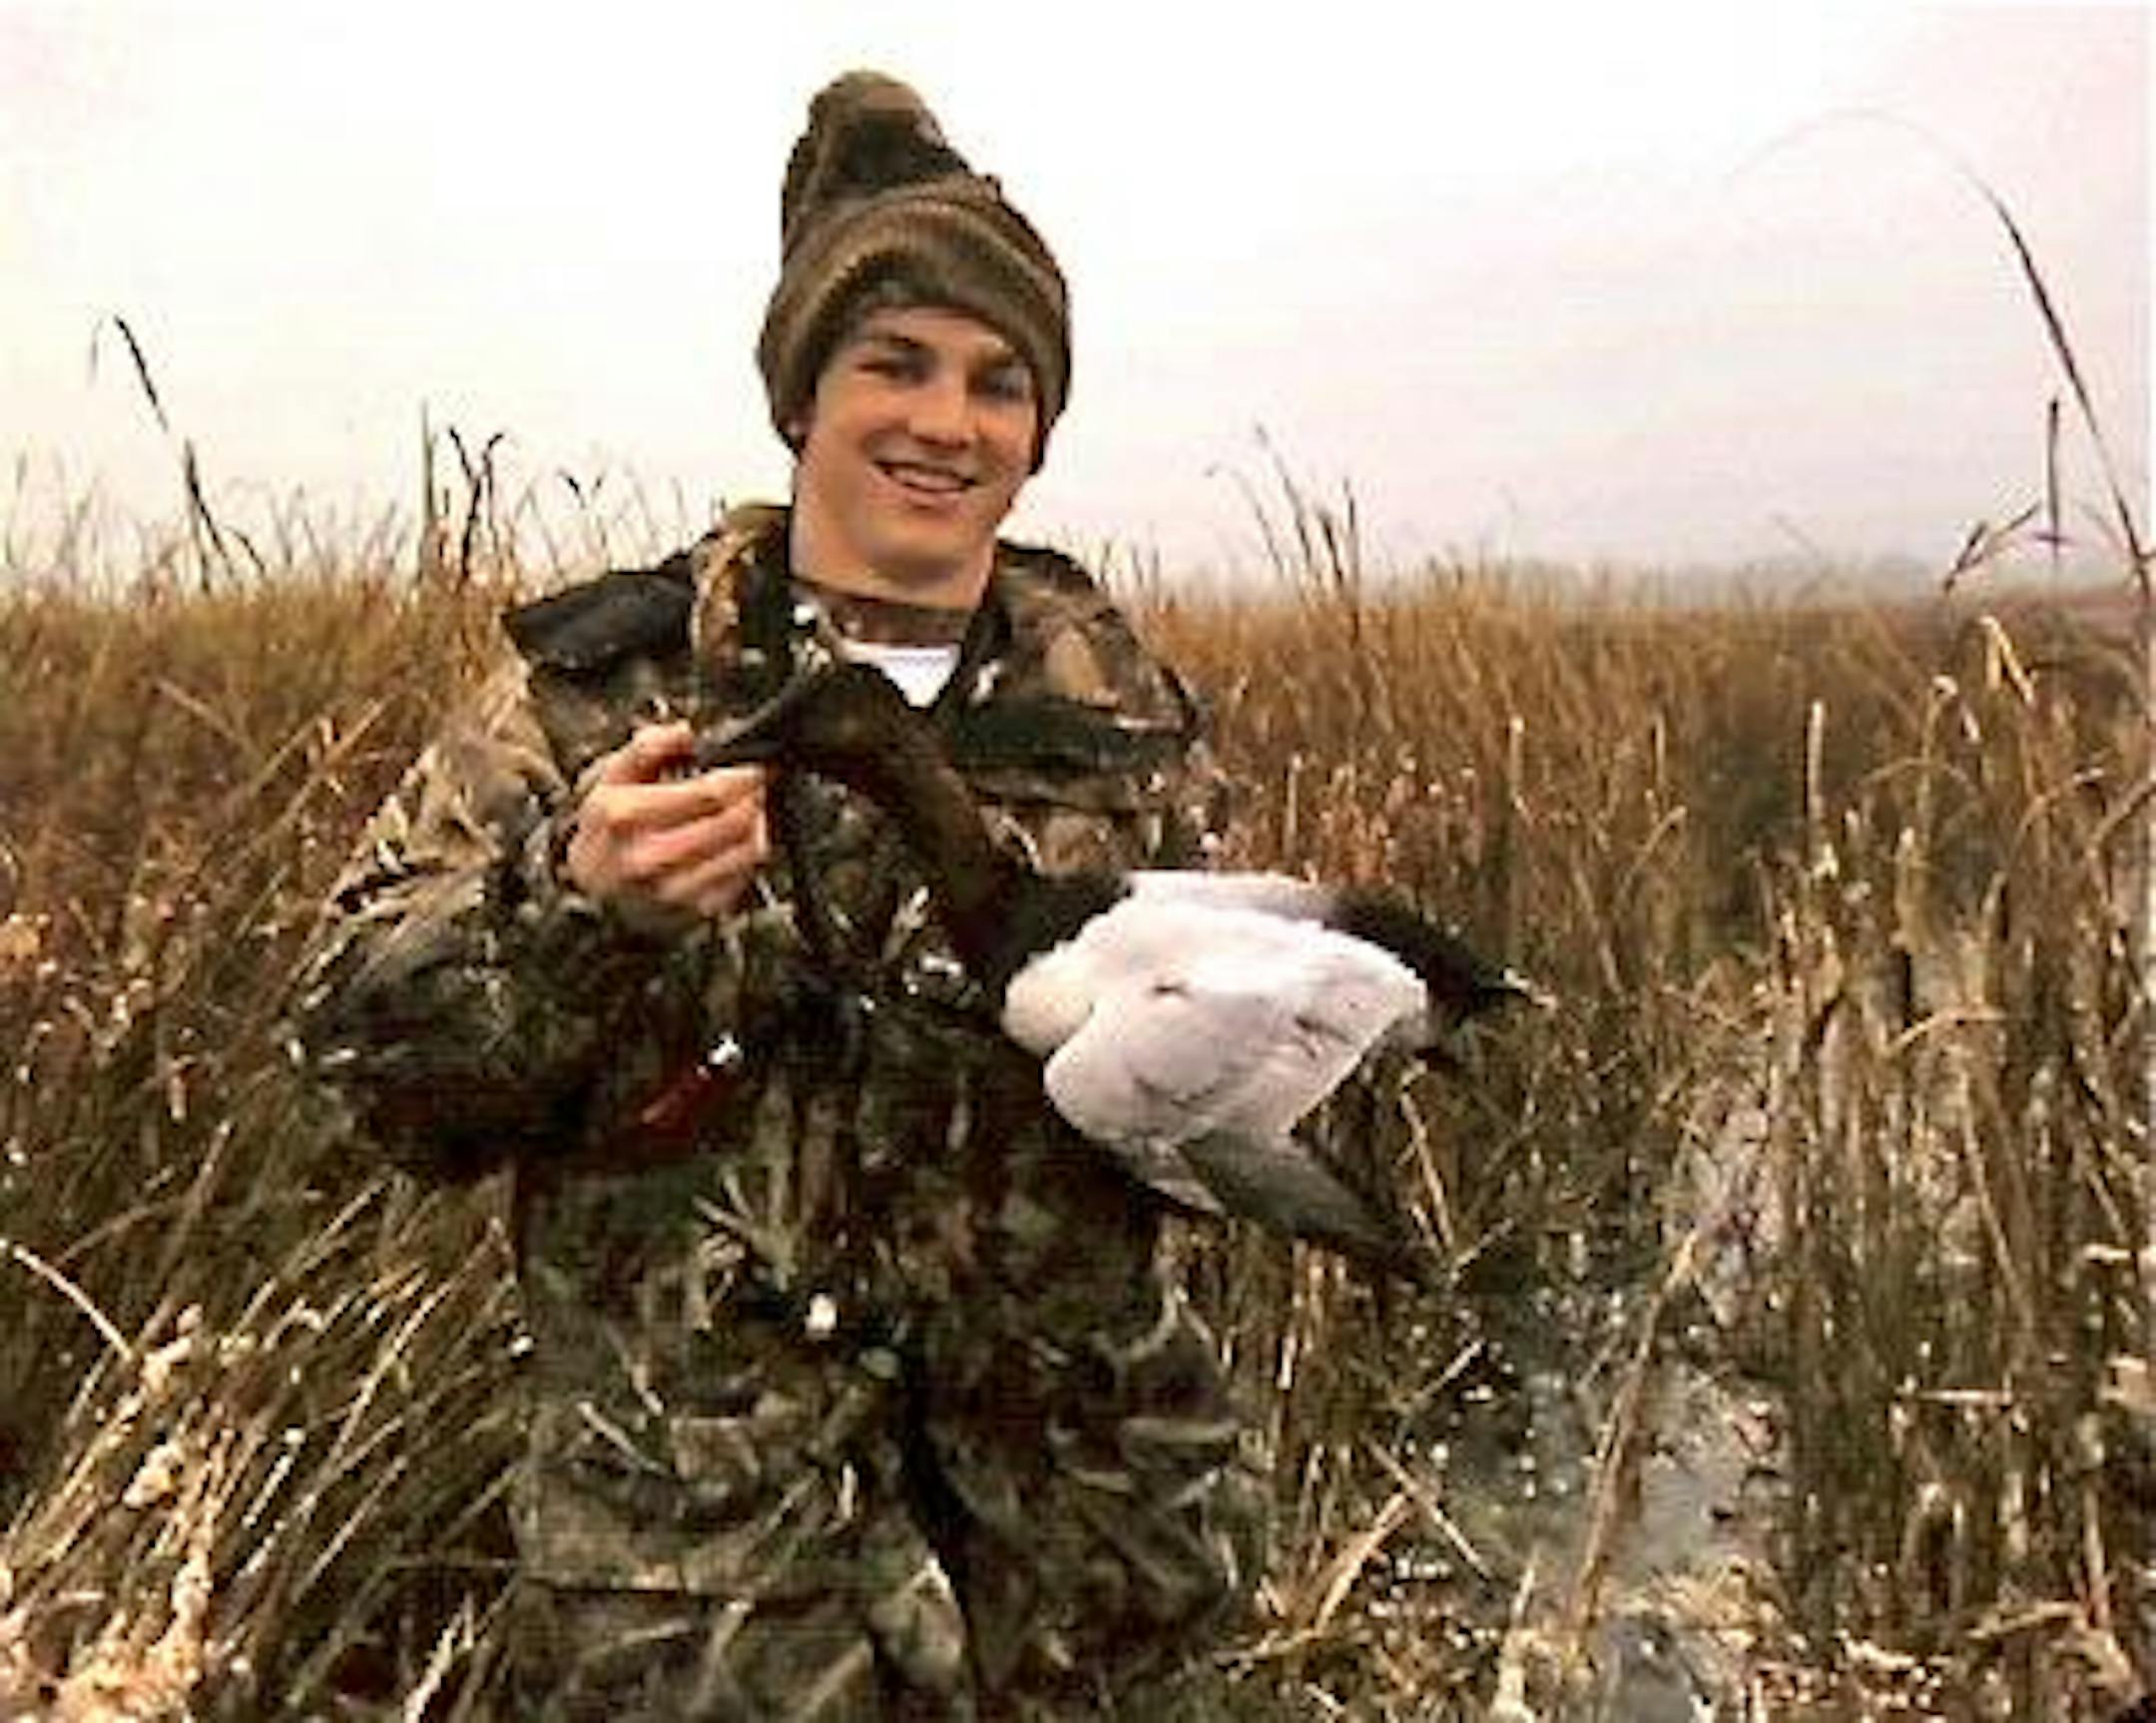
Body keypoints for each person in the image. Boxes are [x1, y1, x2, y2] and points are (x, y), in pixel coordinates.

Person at [293, 71, 1264, 1719]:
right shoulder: (594, 707)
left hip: (1095, 1583)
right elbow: (352, 1066)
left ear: (1037, 434)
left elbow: (1229, 1138)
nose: (943, 423)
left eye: (996, 382)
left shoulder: (1126, 729)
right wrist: (571, 909)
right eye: (892, 363)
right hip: (716, 1614)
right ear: (803, 397)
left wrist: (1269, 1070)